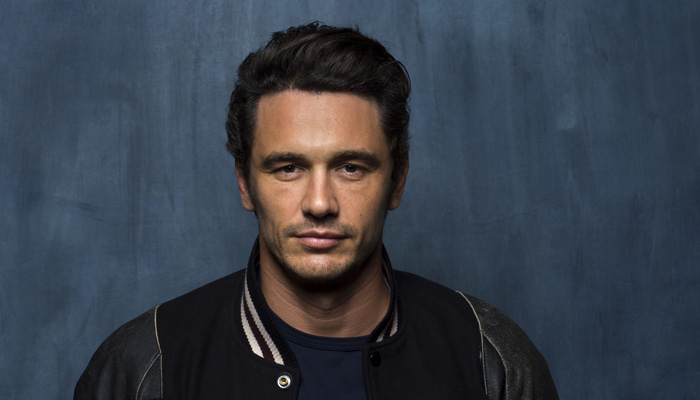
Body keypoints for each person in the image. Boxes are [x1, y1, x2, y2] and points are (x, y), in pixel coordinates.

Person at [75, 22, 558, 400]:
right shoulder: (147, 365)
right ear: (245, 184)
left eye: (351, 167)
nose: (320, 203)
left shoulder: (490, 358)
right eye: (288, 168)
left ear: (397, 181)